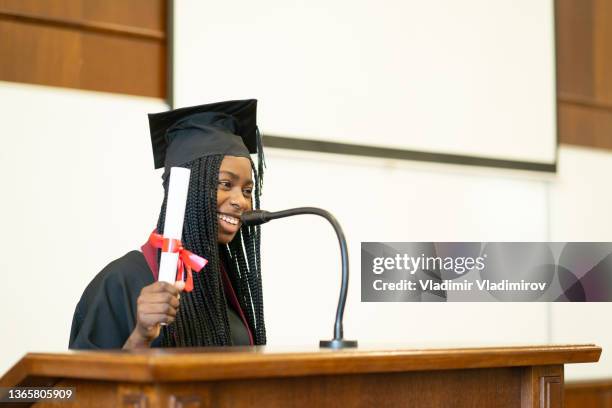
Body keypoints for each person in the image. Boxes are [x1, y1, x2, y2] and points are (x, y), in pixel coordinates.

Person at [69, 100, 266, 349]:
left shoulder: (226, 284)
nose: (241, 202)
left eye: (247, 190)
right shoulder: (121, 281)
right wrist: (140, 335)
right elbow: (86, 383)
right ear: (187, 188)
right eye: (225, 184)